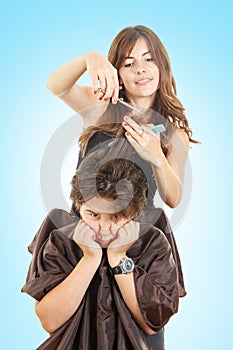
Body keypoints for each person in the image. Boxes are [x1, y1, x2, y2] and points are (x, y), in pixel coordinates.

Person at [22, 145, 180, 350]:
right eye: (93, 215)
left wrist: (118, 257)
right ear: (79, 206)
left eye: (116, 217)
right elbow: (50, 321)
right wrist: (90, 259)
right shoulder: (61, 241)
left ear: (133, 213)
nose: (103, 229)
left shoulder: (152, 242)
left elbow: (151, 324)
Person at [46, 24, 198, 210]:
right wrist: (90, 59)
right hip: (83, 232)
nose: (140, 69)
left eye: (149, 59)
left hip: (136, 235)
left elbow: (173, 200)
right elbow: (56, 86)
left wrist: (156, 155)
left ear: (162, 67)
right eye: (129, 64)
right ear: (117, 75)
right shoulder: (99, 104)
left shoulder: (174, 134)